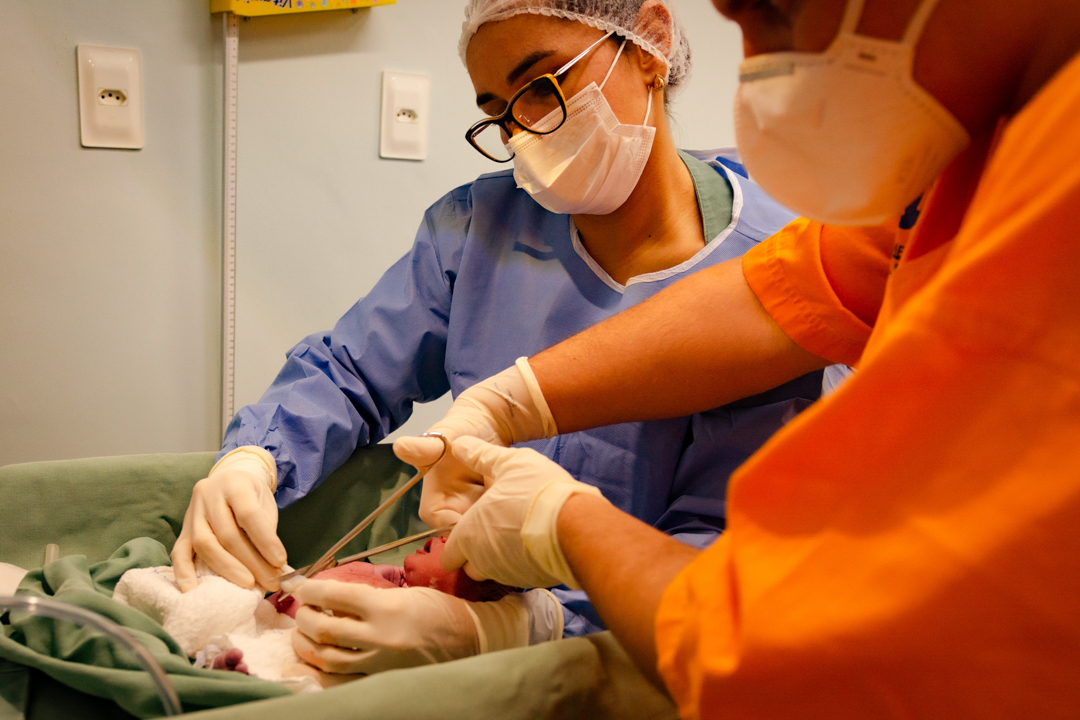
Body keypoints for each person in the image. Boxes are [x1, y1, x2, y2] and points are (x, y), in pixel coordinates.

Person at [391, 0, 1080, 716]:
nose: (755, 61)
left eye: (778, 11)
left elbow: (790, 658)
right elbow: (785, 295)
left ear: (650, 48)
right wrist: (509, 401)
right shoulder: (988, 144)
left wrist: (559, 534)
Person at [171, 0, 826, 674]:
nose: (524, 134)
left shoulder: (783, 278)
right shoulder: (478, 230)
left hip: (641, 663)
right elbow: (351, 371)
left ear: (652, 45)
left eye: (543, 87)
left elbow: (719, 552)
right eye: (500, 112)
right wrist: (254, 457)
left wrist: (525, 627)